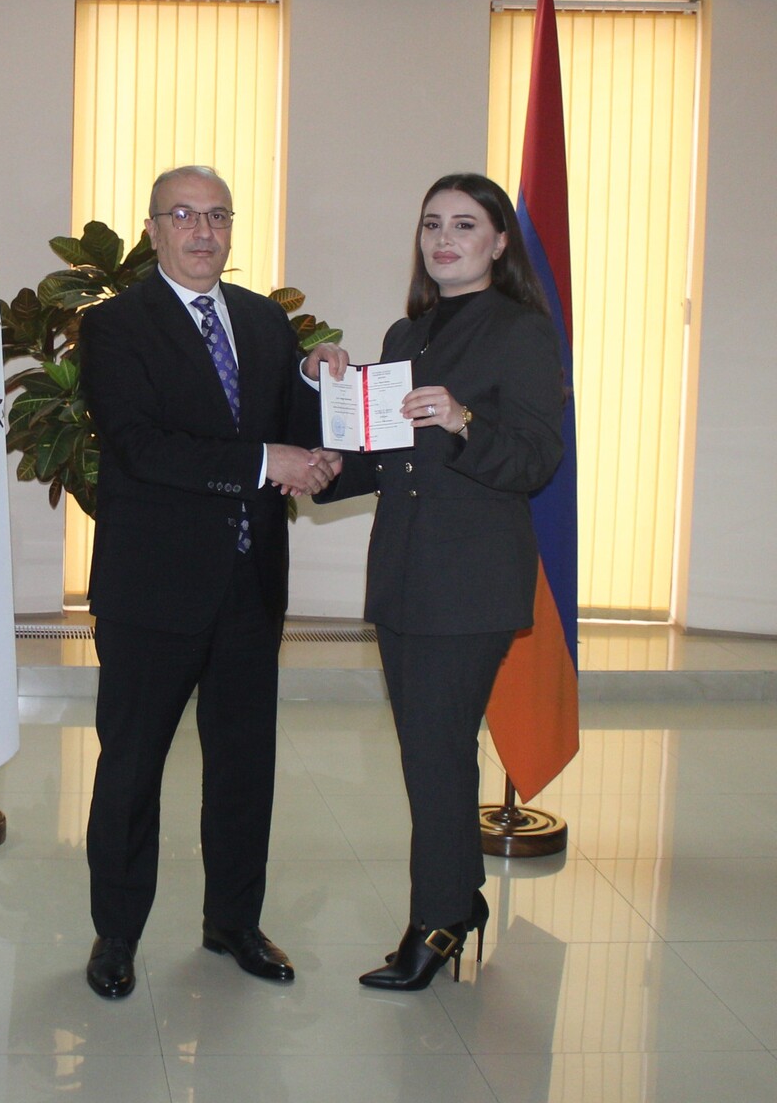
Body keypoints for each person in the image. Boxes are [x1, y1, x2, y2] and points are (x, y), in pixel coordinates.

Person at [78, 164, 347, 999]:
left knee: (242, 768)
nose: (203, 231)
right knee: (132, 770)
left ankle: (233, 922)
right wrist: (268, 462)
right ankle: (117, 934)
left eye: (218, 216)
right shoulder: (114, 326)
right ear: (152, 230)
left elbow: (289, 431)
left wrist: (314, 383)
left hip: (249, 585)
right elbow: (140, 446)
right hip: (152, 590)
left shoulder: (264, 320)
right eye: (184, 216)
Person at [319, 172, 565, 991]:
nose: (444, 238)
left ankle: (438, 920)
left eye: (464, 224)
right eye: (432, 224)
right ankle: (458, 900)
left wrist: (463, 420)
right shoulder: (406, 333)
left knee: (435, 754)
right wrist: (319, 461)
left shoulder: (521, 331)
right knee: (430, 751)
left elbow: (535, 461)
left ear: (499, 242)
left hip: (470, 580)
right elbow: (387, 456)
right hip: (404, 572)